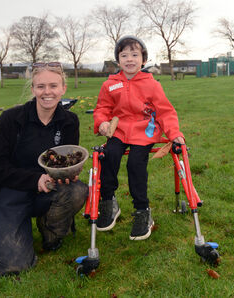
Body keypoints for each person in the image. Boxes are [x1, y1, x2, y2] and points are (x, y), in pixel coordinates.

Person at [0, 62, 88, 276]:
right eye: (41, 86)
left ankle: (50, 230)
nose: (47, 92)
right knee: (13, 267)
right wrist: (33, 179)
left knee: (77, 190)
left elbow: (66, 160)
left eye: (53, 86)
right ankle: (14, 226)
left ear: (63, 89)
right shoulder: (11, 119)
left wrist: (68, 174)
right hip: (12, 191)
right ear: (33, 89)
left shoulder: (69, 121)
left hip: (49, 189)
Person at [93, 35, 185, 241]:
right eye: (124, 55)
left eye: (135, 54)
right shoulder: (110, 84)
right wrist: (102, 123)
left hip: (144, 130)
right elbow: (102, 109)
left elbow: (165, 111)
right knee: (109, 155)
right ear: (118, 60)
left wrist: (174, 134)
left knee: (135, 163)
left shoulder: (151, 84)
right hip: (118, 130)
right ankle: (108, 202)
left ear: (143, 59)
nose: (129, 59)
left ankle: (142, 211)